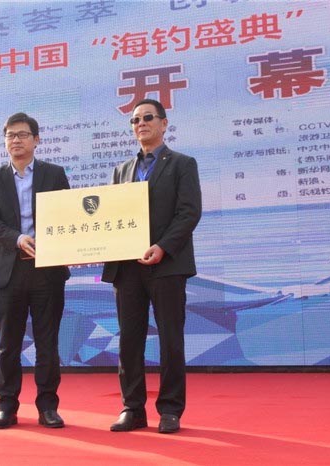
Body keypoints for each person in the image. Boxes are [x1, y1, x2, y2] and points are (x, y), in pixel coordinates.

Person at [102, 99, 202, 434]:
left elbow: (189, 212)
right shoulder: (121, 171)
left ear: (164, 123)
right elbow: (111, 218)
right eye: (135, 120)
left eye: (147, 118)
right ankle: (132, 408)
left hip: (167, 264)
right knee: (129, 340)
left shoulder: (183, 164)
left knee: (170, 339)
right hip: (127, 267)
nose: (140, 124)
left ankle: (170, 409)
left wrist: (162, 246)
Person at [0, 112, 71, 429]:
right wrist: (18, 238)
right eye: (10, 135)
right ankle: (6, 406)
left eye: (22, 134)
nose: (15, 140)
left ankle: (48, 406)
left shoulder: (54, 174)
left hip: (47, 269)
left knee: (47, 342)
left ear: (36, 139)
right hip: (9, 270)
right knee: (8, 344)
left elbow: (67, 215)